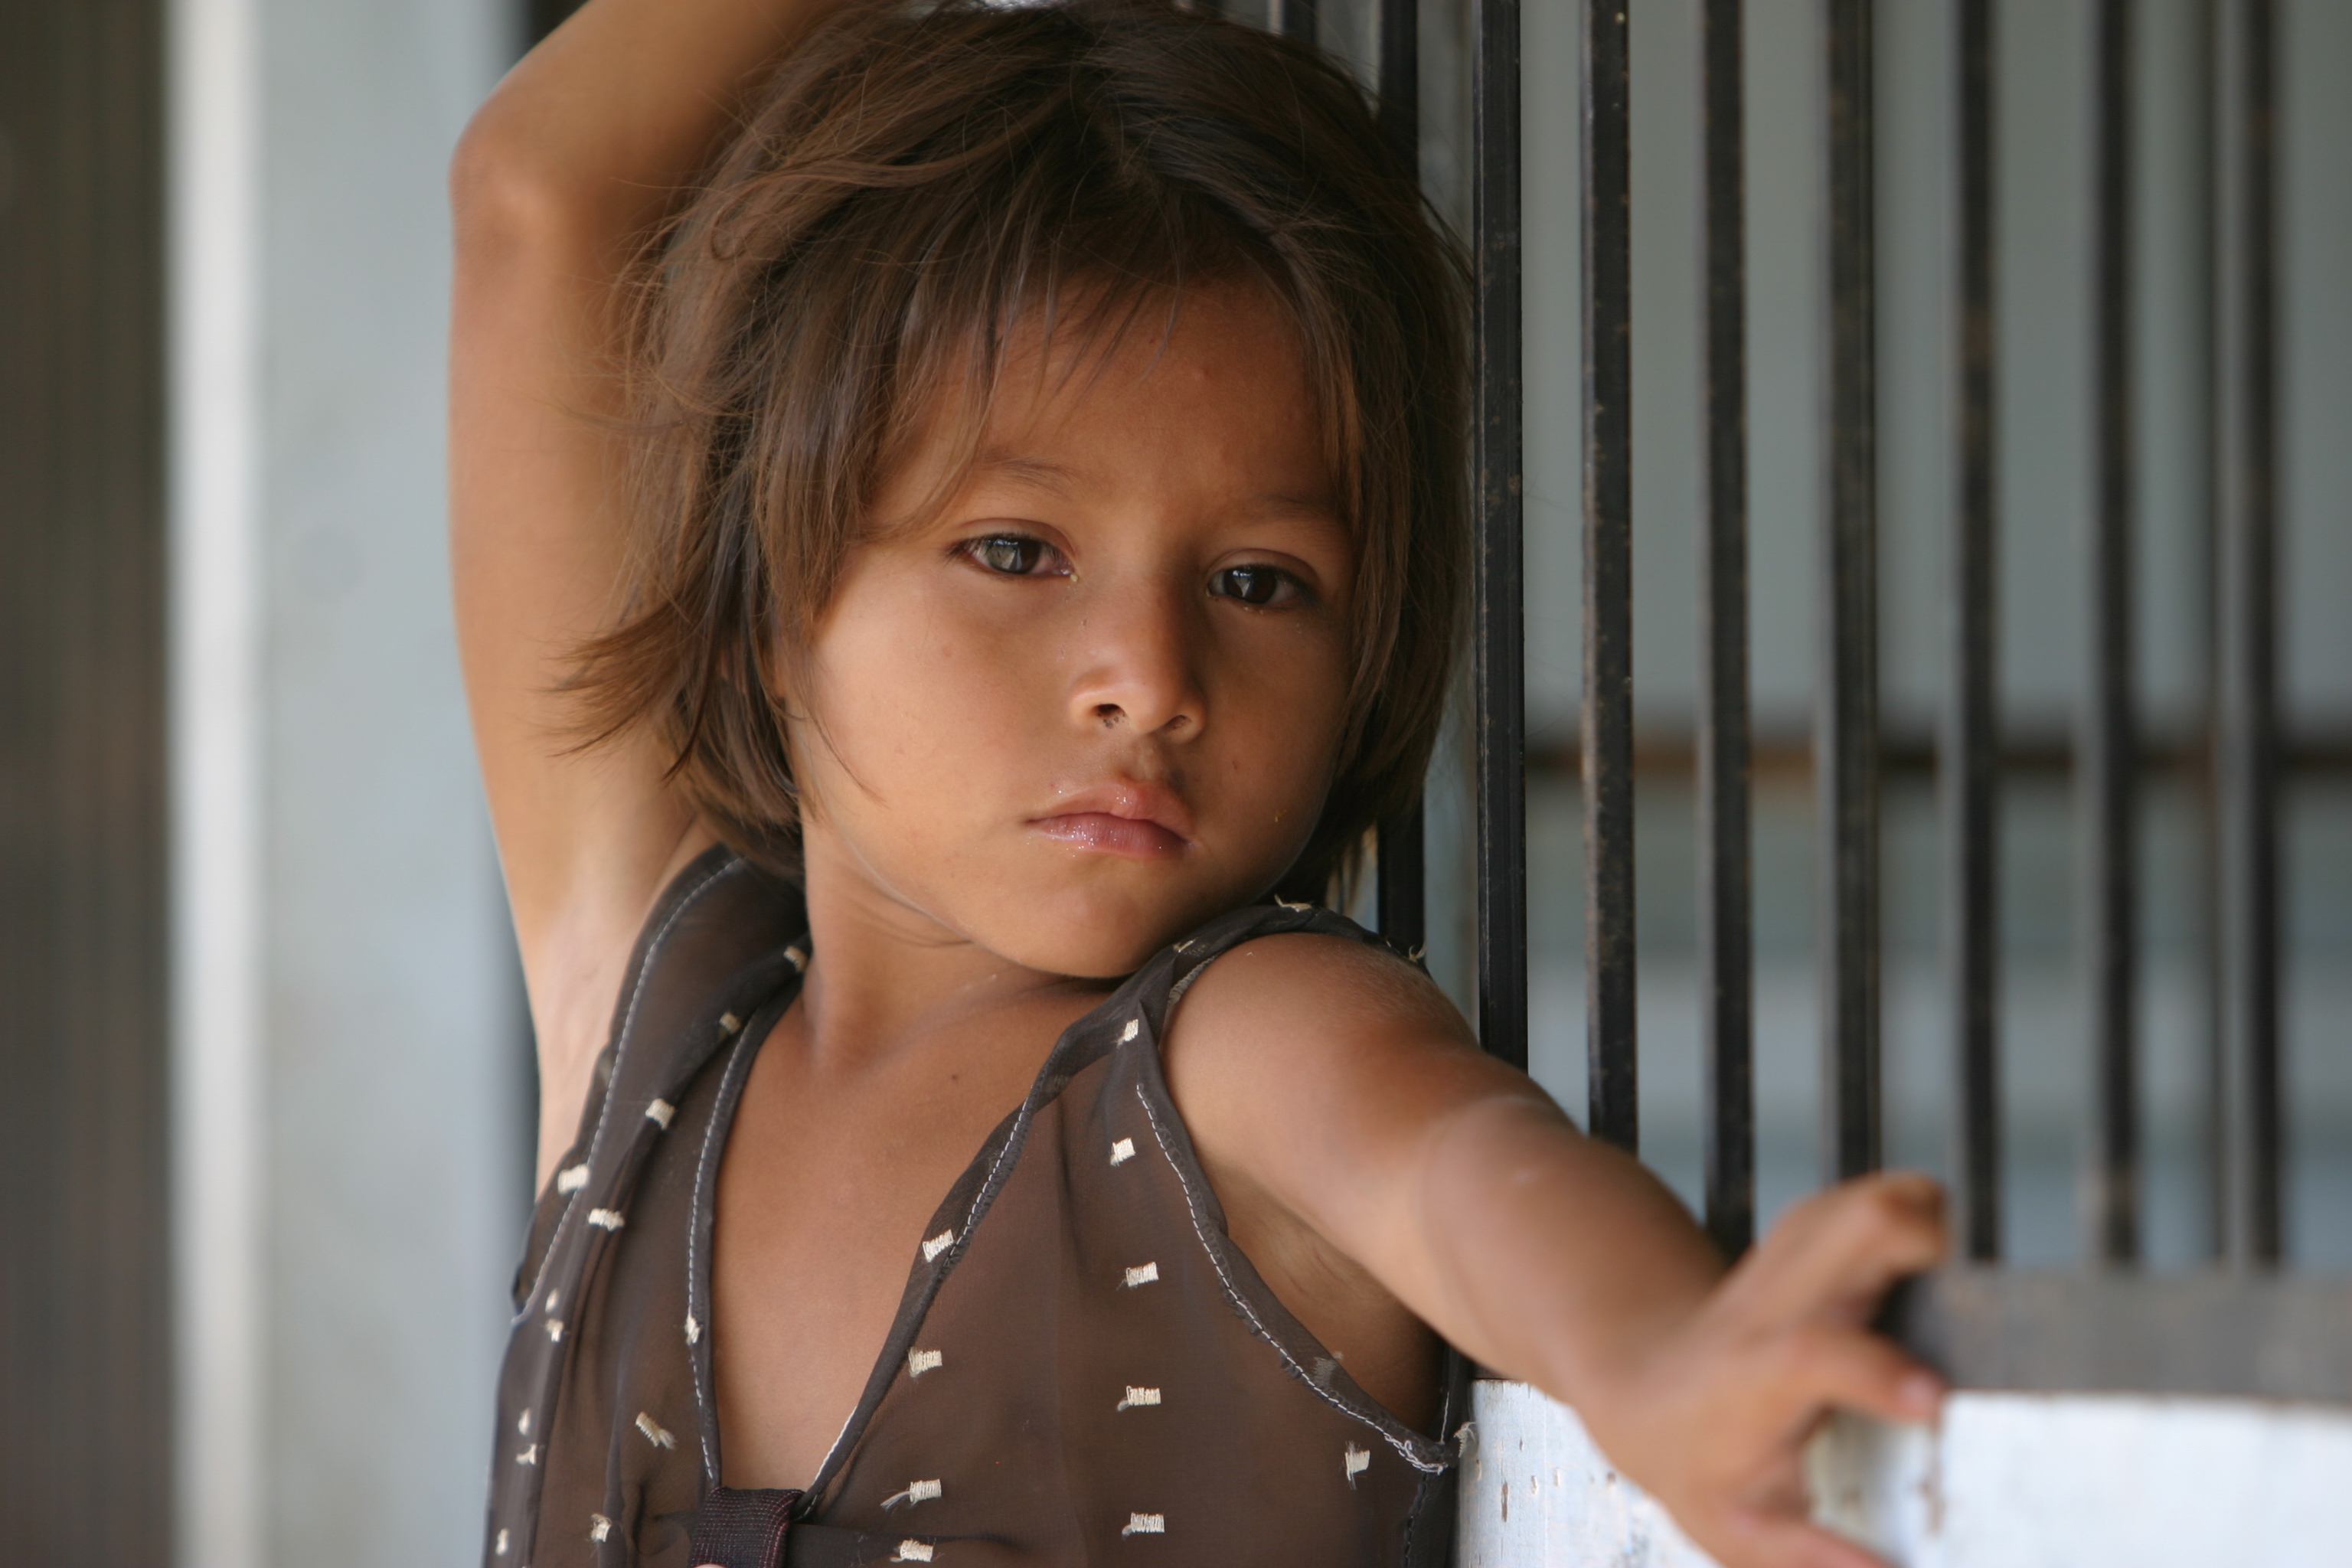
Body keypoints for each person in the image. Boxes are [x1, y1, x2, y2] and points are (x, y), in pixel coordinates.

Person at [450, 2, 1947, 1564]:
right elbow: (538, 198)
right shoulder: (654, 1020)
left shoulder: (1231, 1047)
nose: (1151, 681)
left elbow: (1464, 1175)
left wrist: (1654, 1360)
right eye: (1015, 551)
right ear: (771, 601)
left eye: (1256, 580)